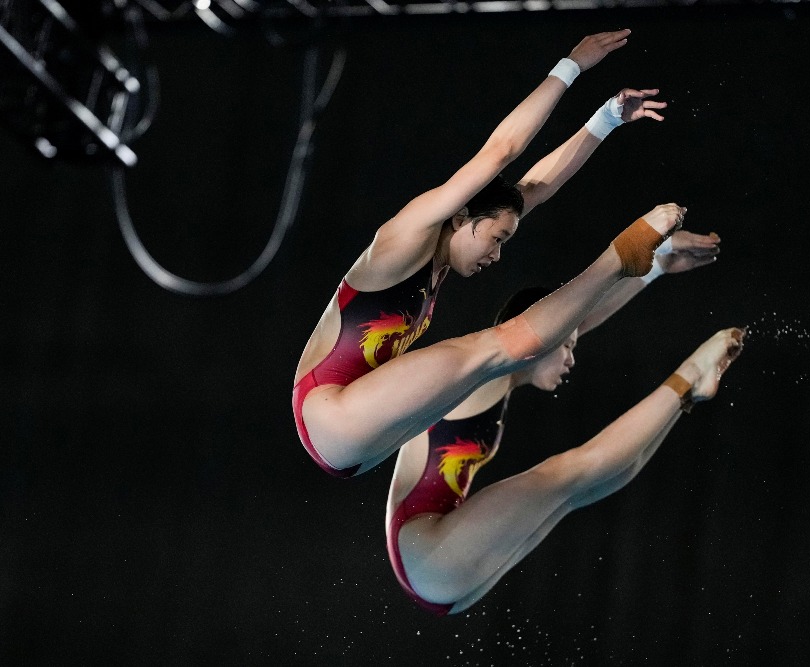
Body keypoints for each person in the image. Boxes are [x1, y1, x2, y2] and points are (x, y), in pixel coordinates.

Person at [293, 29, 674, 477]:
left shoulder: (446, 254)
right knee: (493, 351)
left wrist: (607, 119)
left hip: (363, 445)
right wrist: (571, 66)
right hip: (330, 412)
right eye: (497, 239)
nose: (496, 256)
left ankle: (624, 264)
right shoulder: (407, 234)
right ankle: (618, 259)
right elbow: (501, 152)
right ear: (462, 217)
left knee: (488, 365)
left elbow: (534, 188)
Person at [384, 234, 739, 615]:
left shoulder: (500, 381)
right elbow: (569, 316)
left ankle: (686, 395)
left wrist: (658, 267)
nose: (572, 357)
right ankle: (691, 373)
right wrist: (657, 252)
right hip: (428, 549)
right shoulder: (481, 376)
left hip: (443, 565)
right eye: (566, 345)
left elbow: (575, 322)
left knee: (589, 485)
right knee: (569, 471)